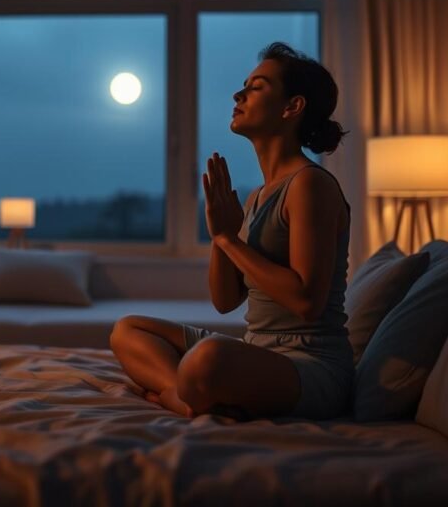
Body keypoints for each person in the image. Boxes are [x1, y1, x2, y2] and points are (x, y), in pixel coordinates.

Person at [110, 42, 352, 420]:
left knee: (208, 359)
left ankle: (183, 395)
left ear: (292, 107)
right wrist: (220, 236)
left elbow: (307, 300)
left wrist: (228, 239)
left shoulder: (310, 185)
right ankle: (184, 393)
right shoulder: (258, 196)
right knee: (128, 329)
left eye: (257, 87)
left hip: (309, 366)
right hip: (258, 349)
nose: (238, 94)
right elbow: (225, 300)